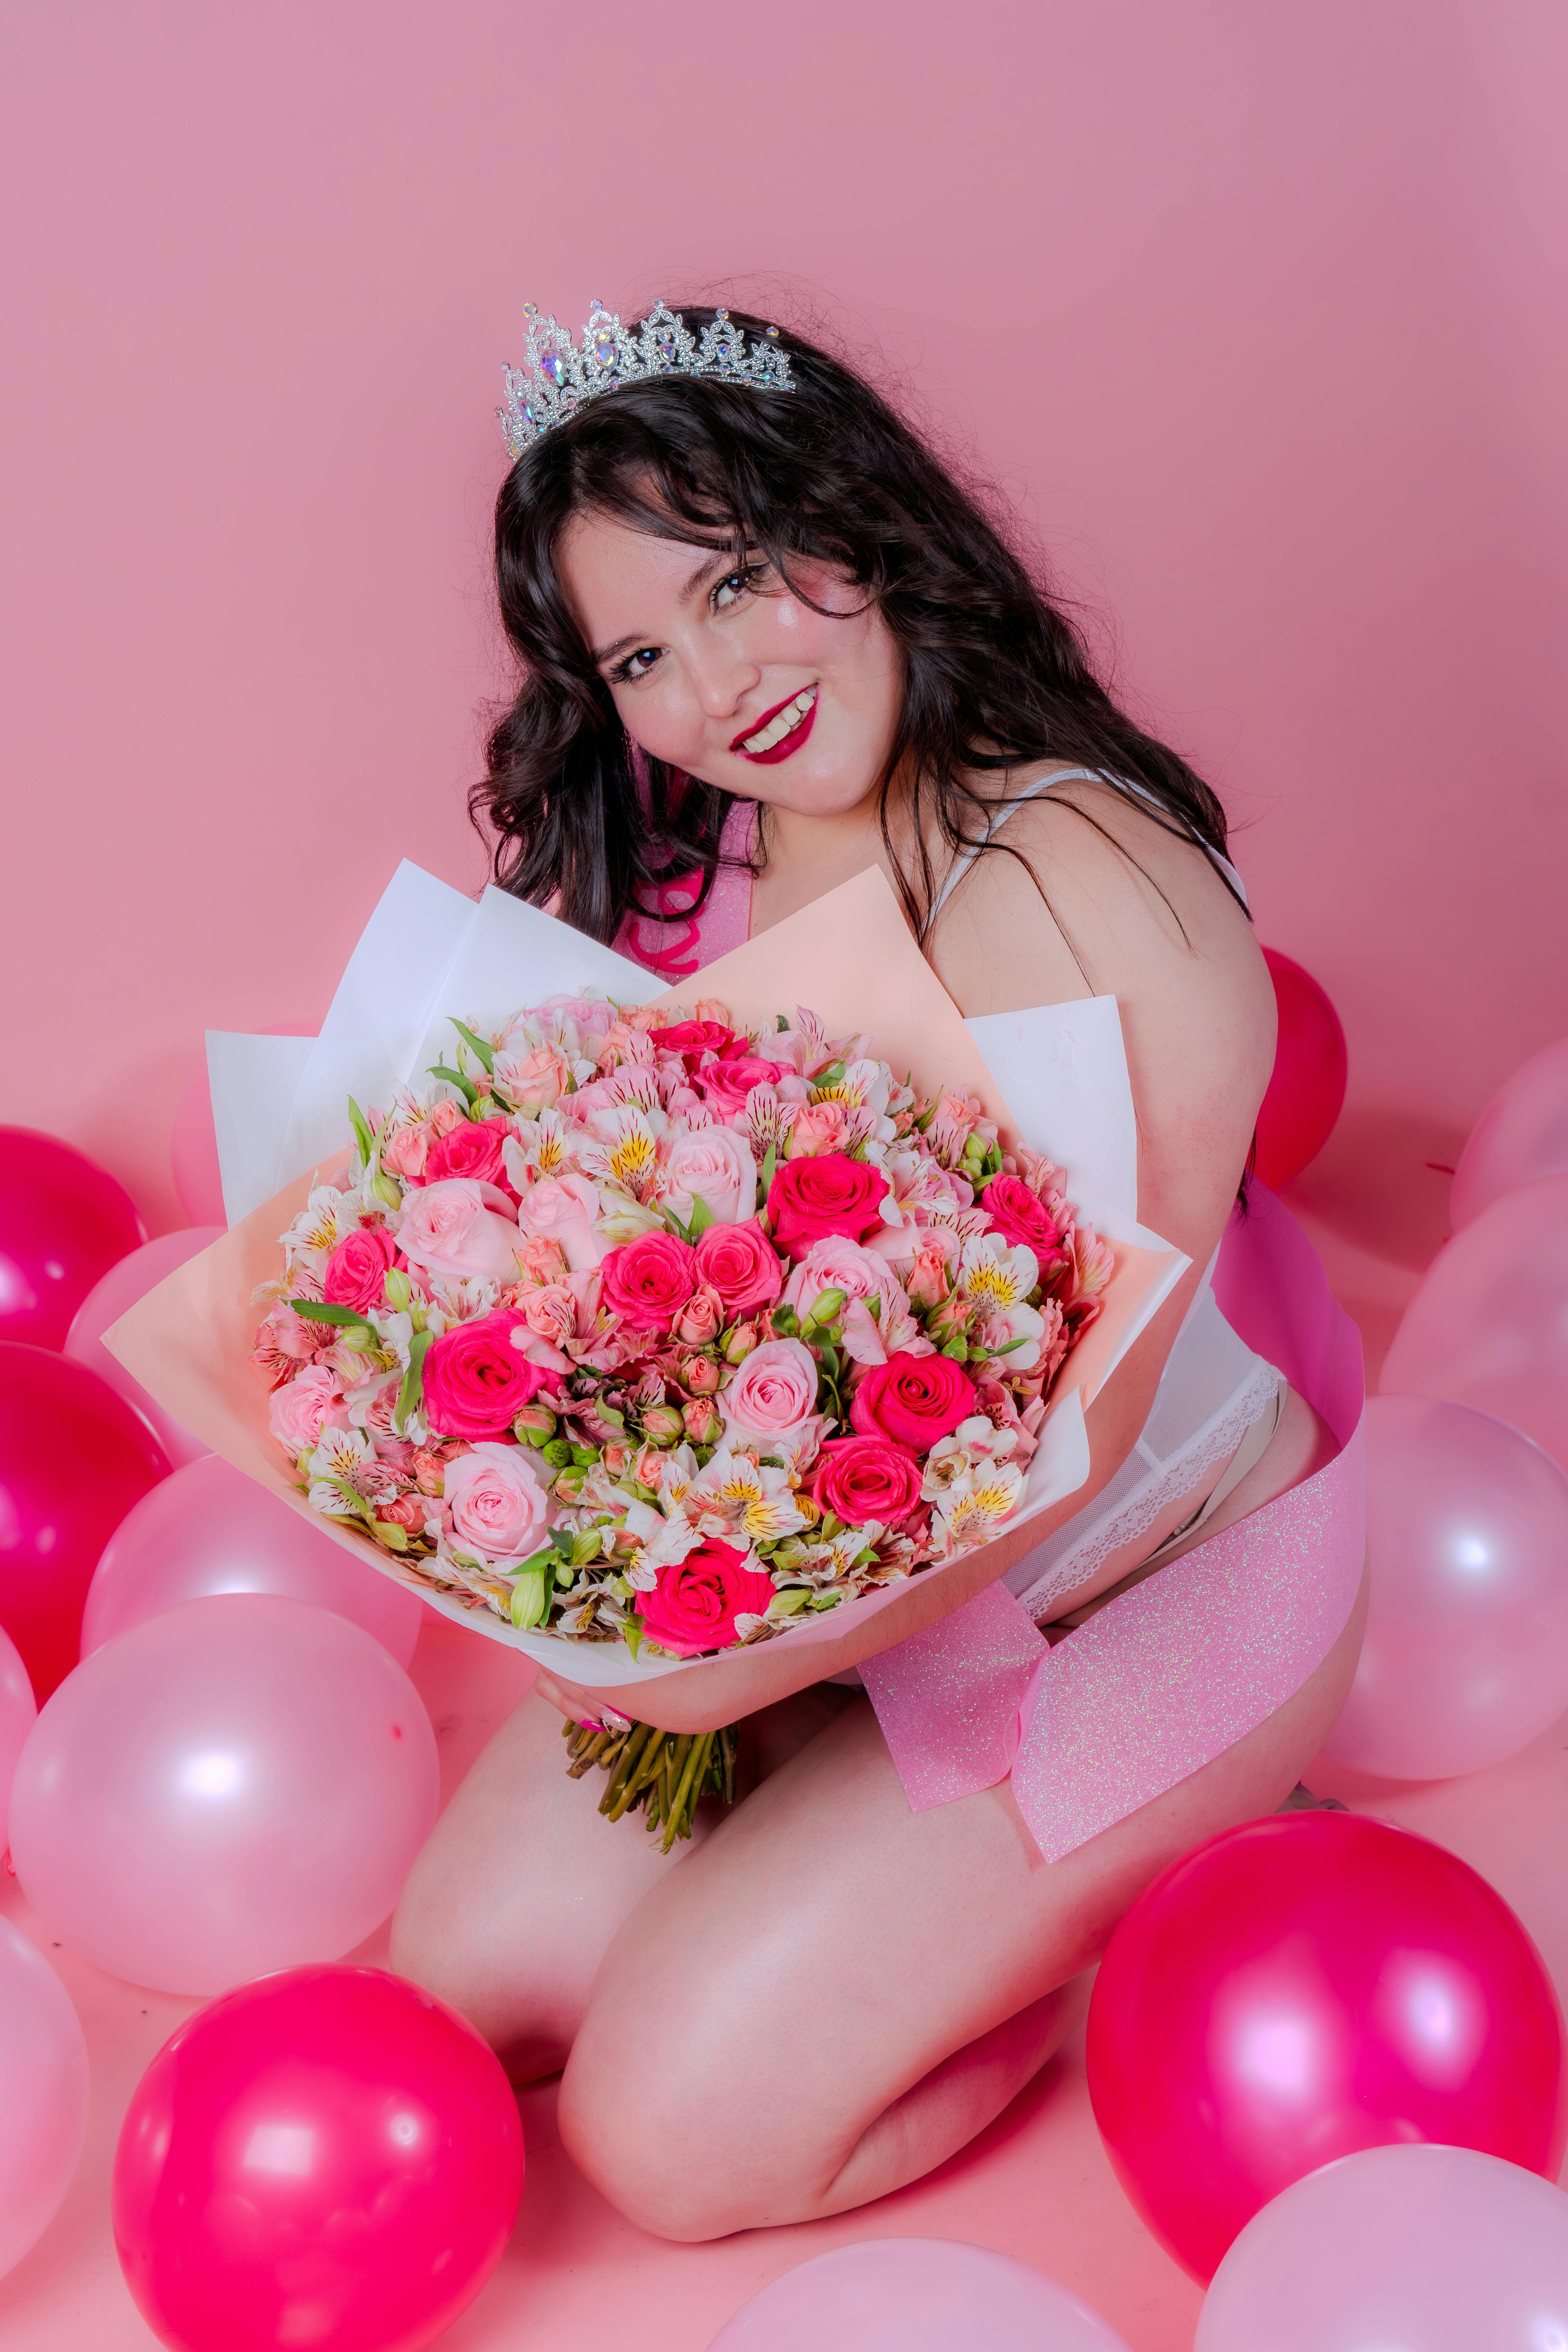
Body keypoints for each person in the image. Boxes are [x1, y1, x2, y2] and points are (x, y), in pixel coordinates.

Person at [390, 299, 1365, 2239]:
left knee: (670, 2144)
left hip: (1136, 1594)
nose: (720, 684)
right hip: (874, 1560)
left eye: (745, 576)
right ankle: (877, 1897)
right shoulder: (780, 828)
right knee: (459, 1990)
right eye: (645, 655)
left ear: (858, 512)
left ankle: (1059, 1930)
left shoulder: (1082, 880)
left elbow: (1067, 1448)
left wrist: (729, 1664)